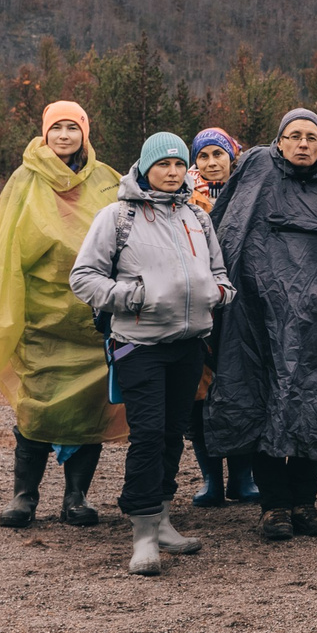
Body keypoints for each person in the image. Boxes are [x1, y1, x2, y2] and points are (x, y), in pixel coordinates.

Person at [205, 109, 317, 543]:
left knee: (314, 403)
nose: (303, 144)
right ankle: (274, 505)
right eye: (294, 136)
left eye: (311, 137)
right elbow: (231, 234)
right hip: (260, 318)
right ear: (279, 141)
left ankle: (305, 501)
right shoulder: (258, 172)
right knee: (263, 402)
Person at [70, 132, 233, 575]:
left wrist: (219, 292)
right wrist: (133, 296)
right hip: (138, 345)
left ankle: (162, 519)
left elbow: (219, 271)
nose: (173, 172)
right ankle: (142, 536)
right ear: (144, 167)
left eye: (180, 165)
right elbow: (83, 277)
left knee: (172, 432)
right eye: (163, 165)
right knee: (146, 434)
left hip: (188, 344)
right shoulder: (117, 217)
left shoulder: (197, 218)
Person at [0, 101, 123, 530]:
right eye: (58, 128)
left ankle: (76, 498)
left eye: (74, 128)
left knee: (90, 409)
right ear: (45, 134)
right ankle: (25, 496)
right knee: (35, 407)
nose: (65, 135)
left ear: (85, 134)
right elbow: (3, 246)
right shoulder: (24, 180)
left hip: (92, 318)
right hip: (39, 317)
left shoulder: (108, 180)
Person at [183, 127, 255, 507]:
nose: (212, 163)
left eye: (218, 155)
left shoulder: (249, 192)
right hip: (198, 310)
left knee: (240, 389)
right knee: (200, 393)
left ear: (232, 156)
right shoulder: (181, 197)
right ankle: (211, 479)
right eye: (204, 156)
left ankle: (242, 479)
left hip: (241, 308)